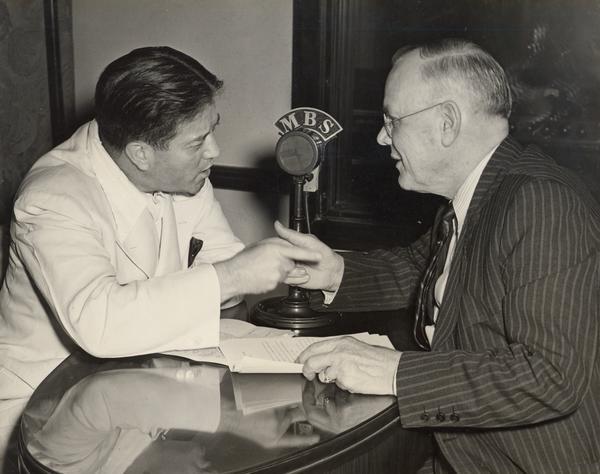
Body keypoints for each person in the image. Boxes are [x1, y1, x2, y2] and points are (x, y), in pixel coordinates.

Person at [275, 38, 600, 473]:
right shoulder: (480, 193)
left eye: (392, 120)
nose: (380, 136)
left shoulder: (539, 202)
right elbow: (420, 268)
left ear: (447, 122)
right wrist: (334, 272)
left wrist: (394, 371)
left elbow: (549, 378)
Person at [0, 46, 319, 464]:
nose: (215, 151)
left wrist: (229, 277)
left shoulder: (183, 175)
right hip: (49, 419)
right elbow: (101, 324)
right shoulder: (54, 198)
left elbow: (224, 271)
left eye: (212, 130)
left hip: (140, 392)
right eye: (198, 141)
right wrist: (229, 277)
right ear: (140, 154)